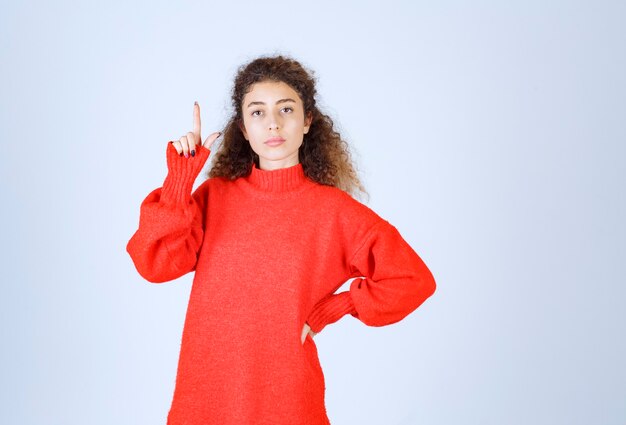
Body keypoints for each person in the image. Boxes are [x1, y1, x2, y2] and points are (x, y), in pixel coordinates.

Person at [126, 54, 436, 425]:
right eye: (257, 112)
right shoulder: (214, 197)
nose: (272, 123)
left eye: (286, 109)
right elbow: (155, 263)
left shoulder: (334, 212)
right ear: (243, 127)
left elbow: (412, 279)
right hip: (207, 393)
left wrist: (336, 308)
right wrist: (180, 180)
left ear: (307, 121)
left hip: (287, 398)